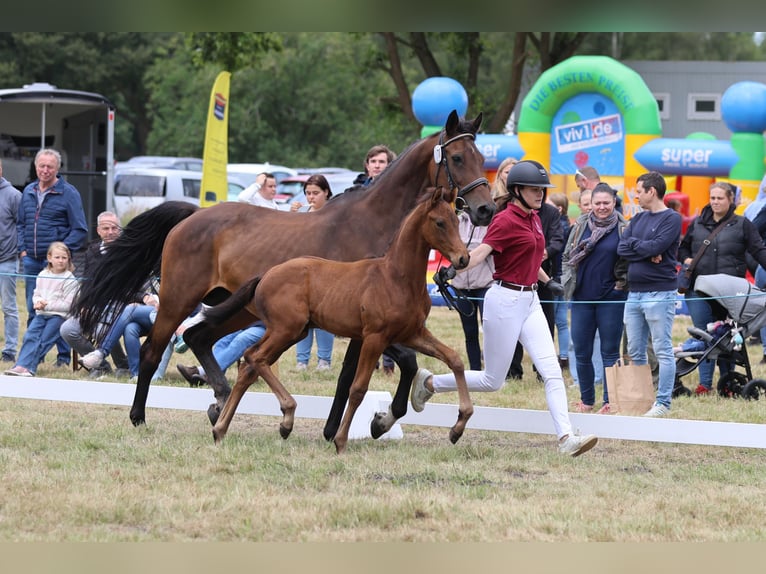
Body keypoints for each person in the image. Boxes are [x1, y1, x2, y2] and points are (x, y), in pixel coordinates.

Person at [410, 160, 598, 457]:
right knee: (491, 381)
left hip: (531, 300)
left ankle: (566, 438)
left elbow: (531, 257)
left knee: (551, 371)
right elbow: (481, 253)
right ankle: (431, 382)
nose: (540, 194)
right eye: (534, 189)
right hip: (504, 301)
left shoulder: (534, 218)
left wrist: (549, 282)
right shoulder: (505, 220)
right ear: (517, 190)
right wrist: (453, 270)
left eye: (542, 189)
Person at [678, 181, 766, 394]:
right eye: (712, 198)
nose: (715, 202)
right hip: (698, 290)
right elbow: (682, 249)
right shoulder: (697, 223)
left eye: (720, 198)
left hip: (729, 292)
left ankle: (728, 383)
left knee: (726, 338)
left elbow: (759, 251)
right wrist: (686, 259)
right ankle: (705, 384)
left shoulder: (743, 224)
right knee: (704, 337)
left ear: (730, 200)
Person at [617, 171, 682, 417]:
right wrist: (645, 251)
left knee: (662, 349)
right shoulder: (637, 218)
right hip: (634, 294)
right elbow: (622, 248)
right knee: (635, 350)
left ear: (651, 191)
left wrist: (643, 247)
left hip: (660, 292)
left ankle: (663, 402)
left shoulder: (672, 218)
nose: (636, 196)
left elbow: (657, 247)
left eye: (639, 192)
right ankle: (644, 398)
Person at [17, 148, 88, 367]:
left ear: (57, 169)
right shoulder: (28, 191)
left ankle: (63, 358)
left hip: (57, 265)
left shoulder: (69, 193)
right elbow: (21, 224)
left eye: (50, 166)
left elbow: (80, 229)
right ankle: (33, 357)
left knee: (59, 311)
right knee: (35, 308)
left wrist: (60, 254)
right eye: (41, 166)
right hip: (32, 260)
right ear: (35, 167)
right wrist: (23, 250)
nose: (45, 170)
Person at [562, 183, 628, 413]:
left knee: (610, 352)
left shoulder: (623, 228)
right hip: (581, 297)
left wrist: (622, 286)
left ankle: (610, 401)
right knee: (581, 351)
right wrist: (567, 283)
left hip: (611, 298)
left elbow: (630, 259)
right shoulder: (581, 225)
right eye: (597, 203)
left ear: (613, 203)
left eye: (606, 203)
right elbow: (567, 255)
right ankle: (587, 399)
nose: (601, 207)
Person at [347, 144, 399, 375]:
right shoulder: (354, 192)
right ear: (367, 165)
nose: (377, 165)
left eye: (382, 162)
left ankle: (389, 363)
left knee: (389, 313)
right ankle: (365, 362)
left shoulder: (396, 193)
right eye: (373, 161)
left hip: (386, 259)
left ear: (390, 166)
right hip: (360, 260)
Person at [60, 211, 130, 378]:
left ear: (120, 230)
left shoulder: (128, 251)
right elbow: (87, 282)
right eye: (106, 228)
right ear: (99, 230)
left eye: (115, 228)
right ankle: (101, 366)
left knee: (102, 327)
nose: (111, 232)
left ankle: (123, 365)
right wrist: (84, 305)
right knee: (67, 330)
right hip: (92, 305)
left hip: (119, 305)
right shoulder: (91, 251)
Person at [5, 242, 78, 376]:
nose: (60, 261)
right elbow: (36, 294)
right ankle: (20, 366)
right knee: (29, 337)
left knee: (44, 340)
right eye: (57, 257)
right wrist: (38, 302)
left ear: (68, 259)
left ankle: (29, 368)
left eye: (64, 257)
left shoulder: (70, 279)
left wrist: (47, 304)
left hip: (58, 317)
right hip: (41, 314)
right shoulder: (43, 274)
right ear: (49, 258)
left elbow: (69, 305)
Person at [289, 174, 336, 370]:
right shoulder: (302, 213)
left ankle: (324, 360)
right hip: (303, 271)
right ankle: (302, 360)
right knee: (302, 317)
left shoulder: (334, 214)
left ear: (326, 192)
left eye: (315, 193)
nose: (311, 197)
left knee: (325, 317)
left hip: (327, 271)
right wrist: (291, 217)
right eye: (308, 193)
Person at [451, 209, 494, 370]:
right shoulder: (456, 221)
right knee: (469, 331)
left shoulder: (490, 221)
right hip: (461, 285)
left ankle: (492, 369)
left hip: (485, 284)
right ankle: (475, 369)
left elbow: (490, 248)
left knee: (489, 329)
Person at [176, 322, 267, 386]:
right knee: (222, 340)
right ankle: (212, 376)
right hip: (244, 324)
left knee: (240, 340)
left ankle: (206, 373)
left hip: (264, 327)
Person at [547, 191, 571, 369]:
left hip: (556, 276)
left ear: (559, 209)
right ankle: (564, 354)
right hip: (562, 276)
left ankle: (553, 355)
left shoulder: (558, 228)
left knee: (552, 319)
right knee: (562, 321)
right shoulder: (568, 226)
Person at [0, 158, 21, 363]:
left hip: (6, 259)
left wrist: (20, 250)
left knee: (8, 306)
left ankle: (9, 350)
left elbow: (22, 224)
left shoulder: (14, 195)